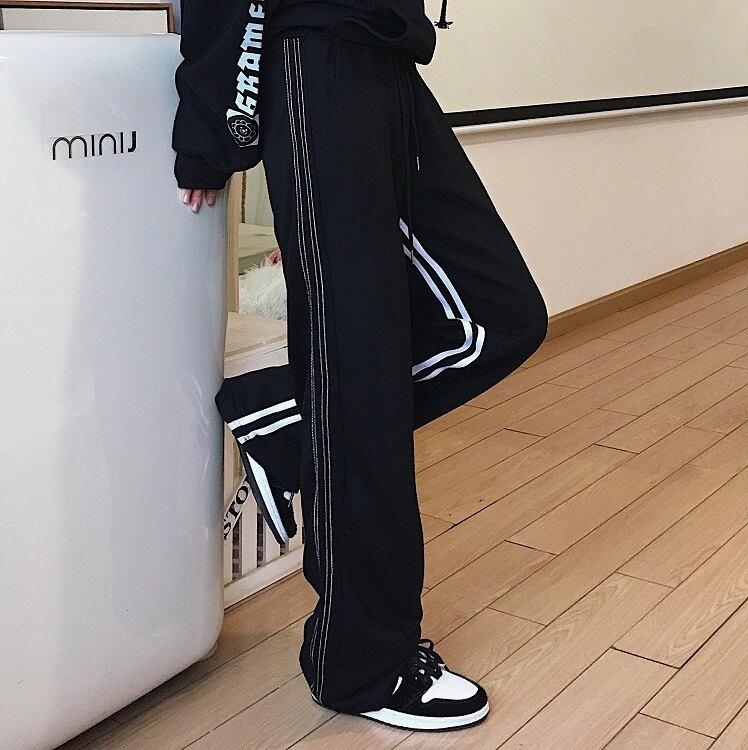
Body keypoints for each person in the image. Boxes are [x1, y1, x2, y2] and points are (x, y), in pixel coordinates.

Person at [172, 0, 548, 733]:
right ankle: (363, 660)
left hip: (389, 62)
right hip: (314, 62)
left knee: (501, 316)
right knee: (359, 367)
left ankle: (286, 422)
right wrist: (206, 134)